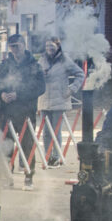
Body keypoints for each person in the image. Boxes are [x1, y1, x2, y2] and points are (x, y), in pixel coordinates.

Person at [0, 34, 46, 189]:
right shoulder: (5, 65)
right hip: (6, 113)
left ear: (24, 45)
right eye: (12, 46)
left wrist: (18, 95)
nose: (15, 49)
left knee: (27, 146)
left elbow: (40, 87)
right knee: (6, 147)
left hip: (25, 112)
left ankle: (29, 177)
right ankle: (7, 178)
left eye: (17, 45)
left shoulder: (34, 65)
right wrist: (1, 94)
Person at [40, 37, 84, 167]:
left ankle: (56, 157)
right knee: (46, 132)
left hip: (59, 99)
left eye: (52, 46)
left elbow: (80, 74)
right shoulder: (42, 60)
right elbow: (35, 75)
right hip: (44, 99)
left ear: (58, 47)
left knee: (56, 131)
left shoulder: (65, 60)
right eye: (47, 46)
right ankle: (47, 157)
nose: (49, 49)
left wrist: (72, 89)